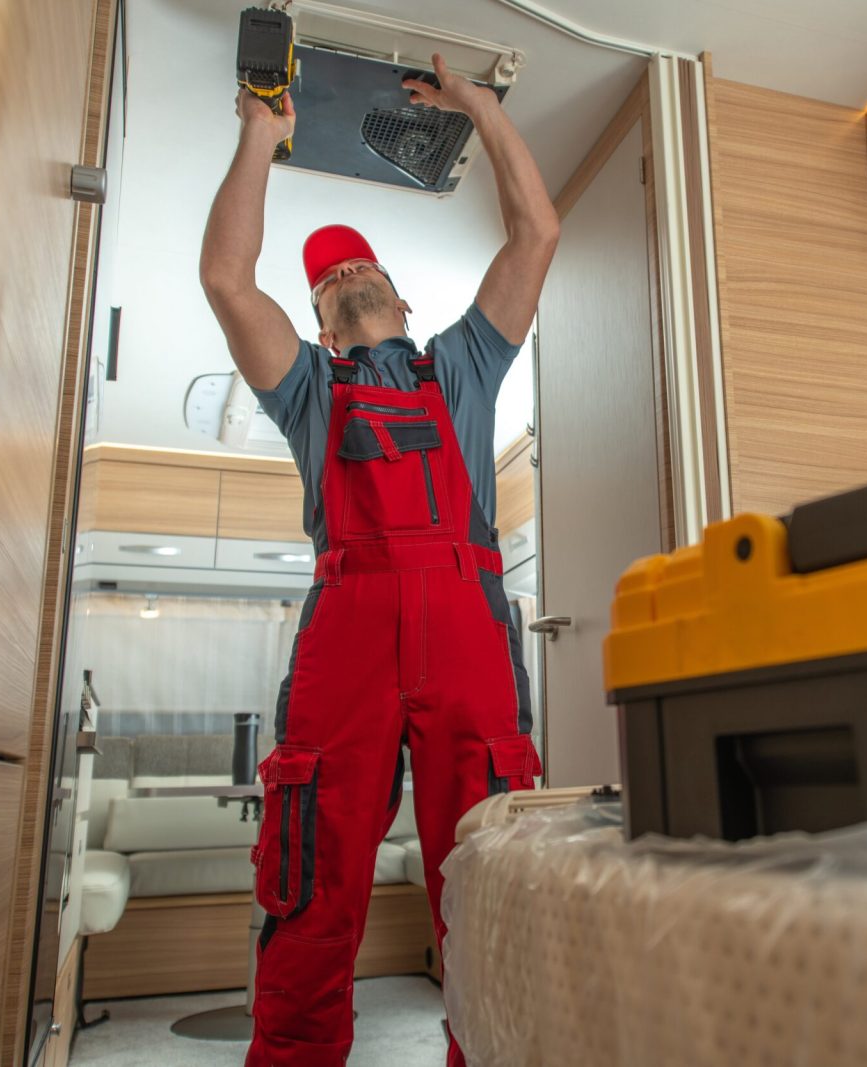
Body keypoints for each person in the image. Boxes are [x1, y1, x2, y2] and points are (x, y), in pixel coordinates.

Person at [199, 52, 560, 1067]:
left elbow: (537, 231)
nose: (345, 266)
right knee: (309, 874)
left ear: (402, 300)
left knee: (488, 878)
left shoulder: (466, 363)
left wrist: (480, 107)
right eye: (328, 273)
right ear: (320, 320)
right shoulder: (309, 388)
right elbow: (227, 279)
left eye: (362, 263)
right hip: (347, 637)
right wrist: (261, 137)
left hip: (467, 630)